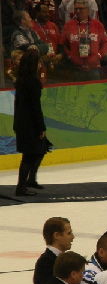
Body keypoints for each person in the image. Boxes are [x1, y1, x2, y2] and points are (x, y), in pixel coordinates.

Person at [13, 48, 49, 197]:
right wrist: (41, 127)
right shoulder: (32, 82)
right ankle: (21, 186)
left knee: (41, 149)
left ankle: (30, 180)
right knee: (30, 155)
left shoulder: (21, 80)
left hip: (22, 122)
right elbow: (35, 108)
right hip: (30, 124)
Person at [61, 0, 107, 81]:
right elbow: (63, 44)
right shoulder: (68, 25)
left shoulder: (97, 25)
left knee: (94, 93)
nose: (78, 11)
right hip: (76, 69)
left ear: (88, 9)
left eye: (81, 9)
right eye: (76, 9)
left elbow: (105, 43)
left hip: (94, 68)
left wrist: (99, 55)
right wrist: (70, 56)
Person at [33, 217, 74, 284]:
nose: (73, 237)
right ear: (57, 235)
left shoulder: (62, 259)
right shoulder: (45, 262)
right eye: (69, 233)